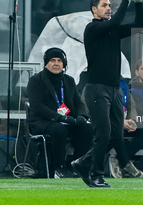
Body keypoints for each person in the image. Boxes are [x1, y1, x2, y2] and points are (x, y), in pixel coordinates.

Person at [71, 0, 143, 187]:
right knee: (103, 134)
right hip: (96, 89)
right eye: (104, 5)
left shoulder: (112, 30)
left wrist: (137, 0)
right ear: (94, 10)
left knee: (115, 135)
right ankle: (96, 175)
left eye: (110, 5)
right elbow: (116, 21)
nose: (108, 8)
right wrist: (125, 0)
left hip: (114, 89)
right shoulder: (93, 29)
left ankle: (84, 162)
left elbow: (140, 24)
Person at [27, 47, 93, 178]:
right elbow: (37, 106)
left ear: (64, 64)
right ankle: (59, 167)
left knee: (87, 129)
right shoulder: (36, 80)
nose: (56, 63)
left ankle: (75, 165)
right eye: (52, 60)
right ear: (46, 63)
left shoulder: (68, 80)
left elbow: (78, 102)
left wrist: (81, 116)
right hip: (42, 121)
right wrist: (59, 118)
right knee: (59, 130)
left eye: (59, 61)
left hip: (66, 121)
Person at [108, 79, 143, 178]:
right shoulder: (102, 85)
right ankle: (126, 164)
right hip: (111, 124)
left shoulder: (123, 84)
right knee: (118, 132)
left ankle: (117, 159)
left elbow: (131, 105)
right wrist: (120, 122)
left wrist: (132, 120)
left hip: (126, 122)